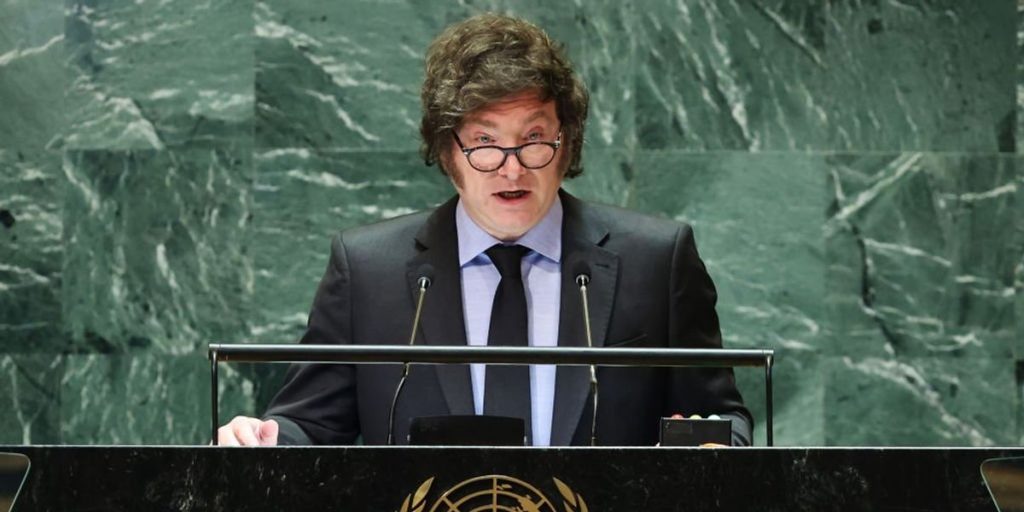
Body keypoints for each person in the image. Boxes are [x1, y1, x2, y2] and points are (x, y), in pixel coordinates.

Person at [218, 13, 752, 447]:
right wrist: (260, 439)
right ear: (447, 150)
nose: (511, 168)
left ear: (567, 142)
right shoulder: (367, 270)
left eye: (534, 138)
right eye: (485, 142)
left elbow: (722, 421)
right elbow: (309, 426)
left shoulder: (655, 261)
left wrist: (710, 449)